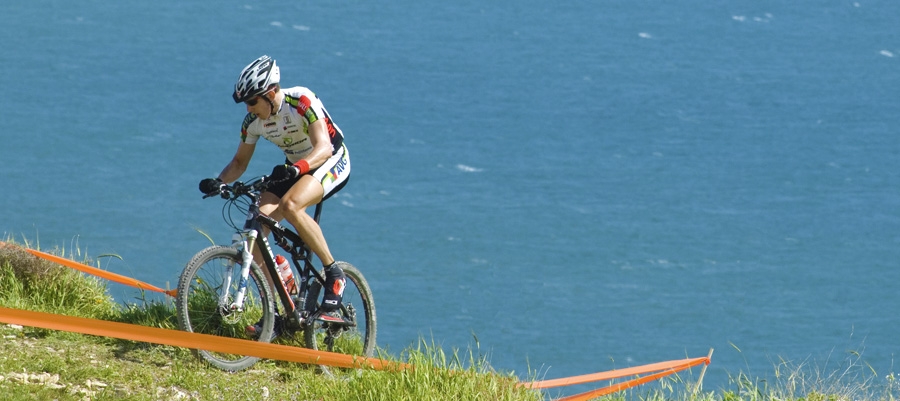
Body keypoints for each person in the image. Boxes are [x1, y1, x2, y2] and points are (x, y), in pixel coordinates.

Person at [199, 55, 349, 330]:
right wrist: (218, 181)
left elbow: (324, 148)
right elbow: (239, 163)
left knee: (292, 206)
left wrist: (297, 169)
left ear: (270, 93)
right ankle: (282, 308)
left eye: (253, 101)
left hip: (330, 159)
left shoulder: (301, 101)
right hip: (295, 167)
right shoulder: (252, 123)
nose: (248, 107)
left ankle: (334, 274)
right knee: (256, 230)